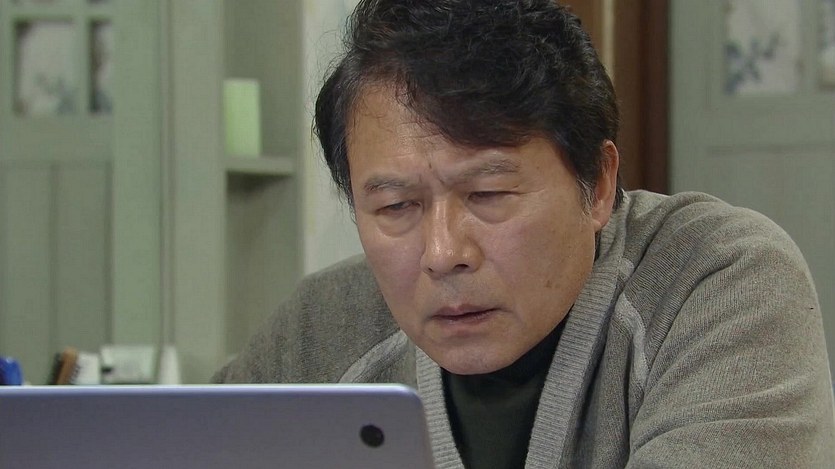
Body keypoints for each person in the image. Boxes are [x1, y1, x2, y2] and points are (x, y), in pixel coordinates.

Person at [213, 0, 835, 467]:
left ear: (597, 184)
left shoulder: (716, 280)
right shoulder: (320, 332)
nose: (443, 254)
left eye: (488, 195)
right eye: (396, 206)